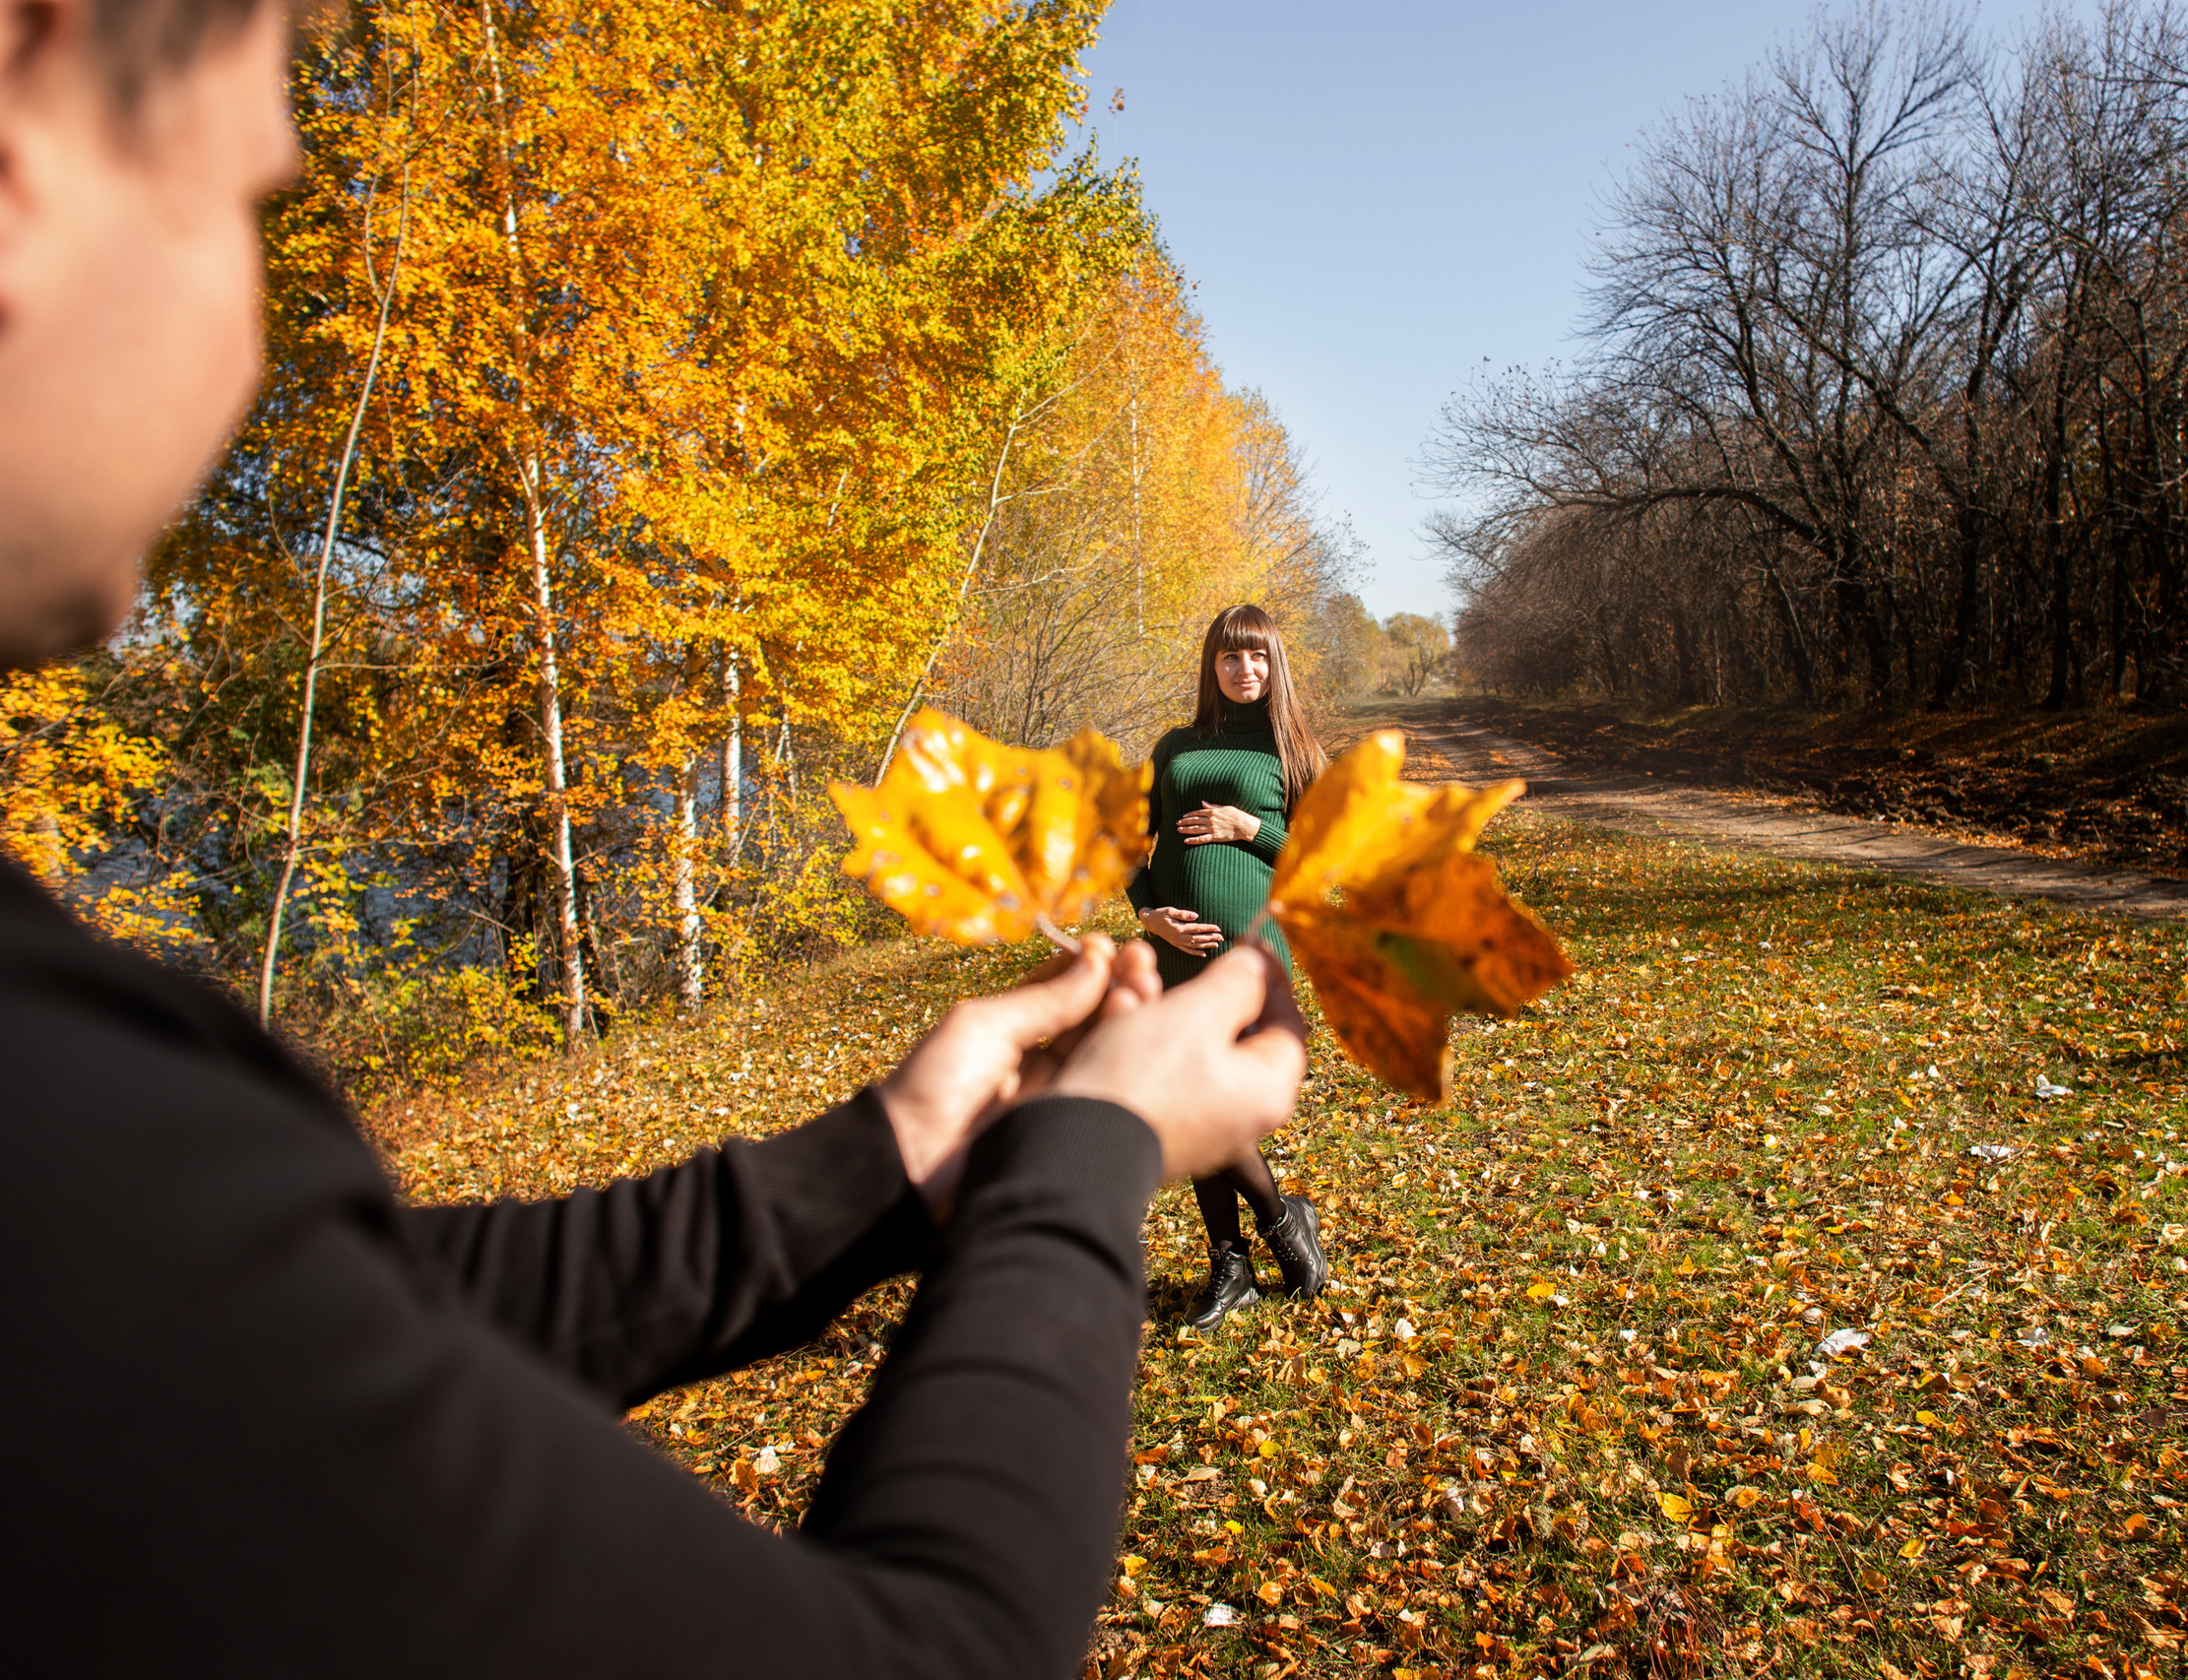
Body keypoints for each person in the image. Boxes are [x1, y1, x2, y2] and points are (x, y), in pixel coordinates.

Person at [0, 4, 1306, 1674]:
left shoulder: (83, 1156)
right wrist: (1089, 1156)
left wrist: (879, 1167)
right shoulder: (52, 1134)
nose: (255, 337)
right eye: (244, 204)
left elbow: (361, 1306)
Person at [1128, 603, 1335, 1328]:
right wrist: (1148, 913)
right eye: (1229, 656)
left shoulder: (1297, 754)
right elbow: (1129, 841)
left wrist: (1251, 828)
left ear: (1275, 665)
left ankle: (1277, 1227)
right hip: (1172, 951)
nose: (1244, 669)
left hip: (1249, 952)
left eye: (1257, 657)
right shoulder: (1175, 746)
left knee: (1207, 1102)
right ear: (1210, 666)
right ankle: (1236, 1262)